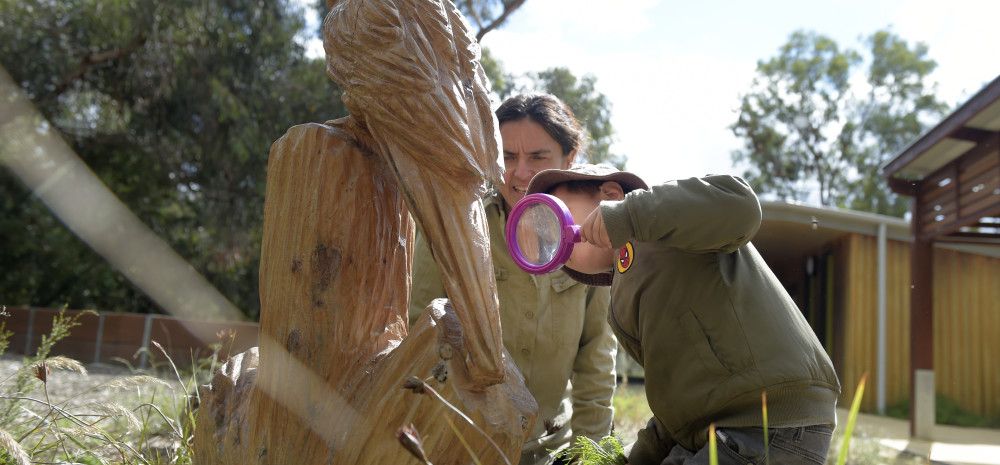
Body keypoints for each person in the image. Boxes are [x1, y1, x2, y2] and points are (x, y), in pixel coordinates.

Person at [524, 164, 841, 465]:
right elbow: (675, 405)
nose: (555, 239)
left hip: (769, 419)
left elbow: (742, 205)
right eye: (544, 240)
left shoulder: (667, 222)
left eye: (555, 217)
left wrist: (630, 214)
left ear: (610, 194)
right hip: (714, 431)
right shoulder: (621, 306)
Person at [408, 94, 619, 465]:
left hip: (550, 448)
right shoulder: (454, 228)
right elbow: (418, 332)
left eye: (537, 157)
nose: (520, 172)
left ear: (568, 160)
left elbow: (596, 361)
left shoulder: (594, 237)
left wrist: (593, 457)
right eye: (507, 156)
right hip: (457, 446)